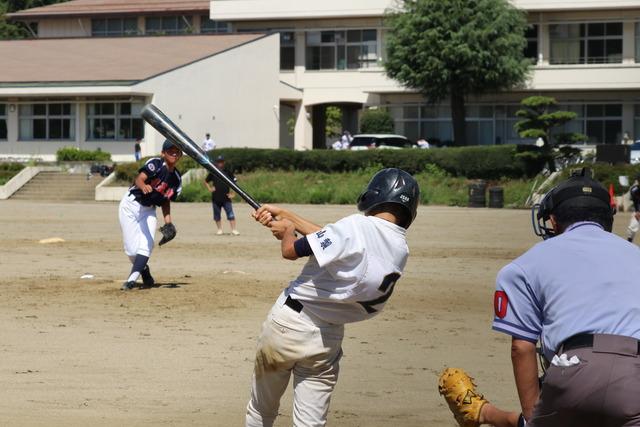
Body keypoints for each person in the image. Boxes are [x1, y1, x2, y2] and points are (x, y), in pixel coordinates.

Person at [245, 168, 420, 427]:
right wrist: (288, 215)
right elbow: (336, 241)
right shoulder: (399, 248)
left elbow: (292, 250)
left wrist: (286, 231)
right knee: (311, 423)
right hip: (327, 340)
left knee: (262, 411)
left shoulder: (357, 226)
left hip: (287, 327)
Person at [118, 140, 183, 291]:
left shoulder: (176, 179)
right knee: (131, 251)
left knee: (147, 243)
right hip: (130, 205)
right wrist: (143, 185)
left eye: (177, 151)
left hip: (149, 210)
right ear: (163, 153)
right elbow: (139, 179)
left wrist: (168, 222)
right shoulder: (156, 164)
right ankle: (144, 270)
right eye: (170, 151)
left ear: (180, 155)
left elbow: (166, 200)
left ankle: (131, 281)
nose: (173, 153)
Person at [203, 155, 239, 235]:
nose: (220, 163)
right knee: (217, 215)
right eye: (218, 162)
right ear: (216, 163)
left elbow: (235, 182)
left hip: (226, 198)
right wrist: (209, 188)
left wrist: (234, 193)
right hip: (215, 198)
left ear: (224, 162)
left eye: (221, 162)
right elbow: (205, 181)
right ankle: (219, 229)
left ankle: (233, 229)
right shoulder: (213, 172)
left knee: (231, 214)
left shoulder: (228, 171)